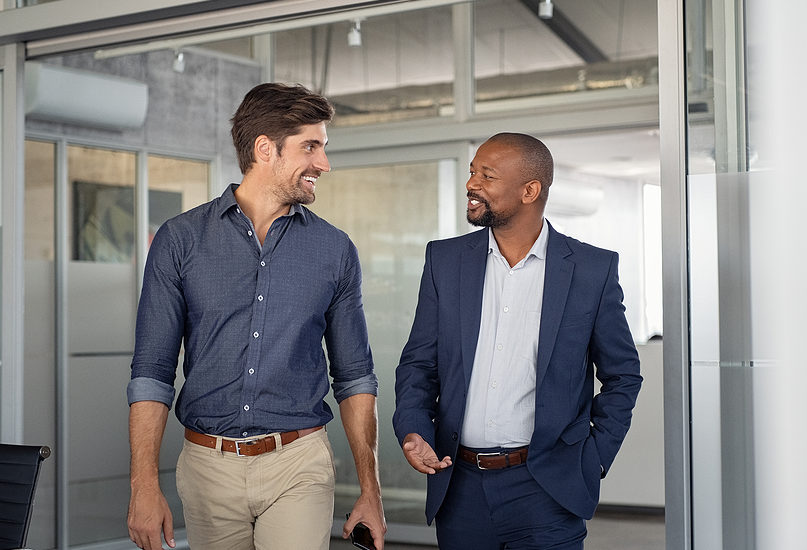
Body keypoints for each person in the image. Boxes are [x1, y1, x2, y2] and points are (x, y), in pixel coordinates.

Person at [126, 83, 386, 550]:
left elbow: (355, 377)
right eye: (311, 147)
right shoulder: (180, 240)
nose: (324, 164)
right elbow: (152, 372)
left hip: (299, 462)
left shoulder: (335, 250)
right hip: (207, 467)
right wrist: (142, 485)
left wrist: (372, 490)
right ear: (266, 149)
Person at [393, 133, 642, 549]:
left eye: (487, 176)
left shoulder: (591, 269)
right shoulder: (444, 260)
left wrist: (594, 457)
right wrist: (414, 429)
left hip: (547, 489)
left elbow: (623, 375)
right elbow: (419, 364)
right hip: (460, 487)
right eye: (472, 172)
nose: (472, 184)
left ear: (530, 191)